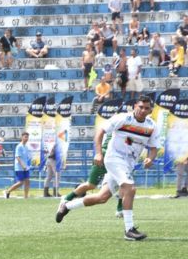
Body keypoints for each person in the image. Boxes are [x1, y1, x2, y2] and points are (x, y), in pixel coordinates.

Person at [56, 96, 159, 241]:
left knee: (102, 197)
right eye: (140, 107)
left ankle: (67, 206)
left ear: (150, 110)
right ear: (135, 106)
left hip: (129, 163)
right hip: (114, 158)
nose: (142, 110)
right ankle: (129, 230)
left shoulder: (152, 126)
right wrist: (98, 153)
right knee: (130, 189)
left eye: (146, 108)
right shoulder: (123, 118)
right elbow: (100, 132)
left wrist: (150, 158)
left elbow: (154, 148)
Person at [4, 132, 31, 199]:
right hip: (19, 167)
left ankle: (26, 197)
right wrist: (23, 166)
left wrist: (28, 165)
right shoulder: (19, 146)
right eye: (25, 137)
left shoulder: (26, 147)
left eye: (27, 137)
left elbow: (27, 157)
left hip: (25, 167)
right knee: (21, 182)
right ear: (22, 137)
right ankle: (8, 191)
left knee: (27, 181)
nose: (26, 138)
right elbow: (18, 157)